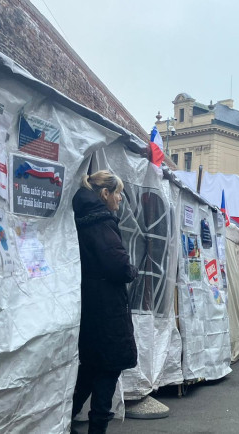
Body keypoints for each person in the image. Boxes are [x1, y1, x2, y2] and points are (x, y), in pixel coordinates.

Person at [71, 170, 138, 434]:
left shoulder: (85, 219)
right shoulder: (100, 222)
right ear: (105, 194)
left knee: (88, 373)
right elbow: (118, 266)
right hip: (107, 312)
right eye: (118, 193)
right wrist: (132, 270)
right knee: (106, 375)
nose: (120, 198)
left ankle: (63, 423)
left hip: (90, 308)